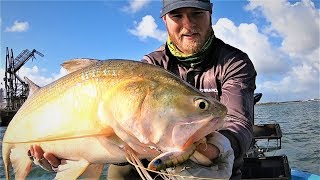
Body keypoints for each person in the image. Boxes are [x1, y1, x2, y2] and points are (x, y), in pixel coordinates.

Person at [29, 0, 256, 179]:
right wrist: (71, 154)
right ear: (165, 20)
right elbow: (126, 126)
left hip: (215, 166)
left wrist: (217, 148)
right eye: (177, 15)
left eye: (197, 13)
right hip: (156, 164)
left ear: (210, 14)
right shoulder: (150, 66)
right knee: (120, 170)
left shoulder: (234, 62)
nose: (188, 24)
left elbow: (238, 120)